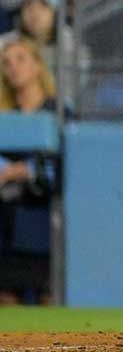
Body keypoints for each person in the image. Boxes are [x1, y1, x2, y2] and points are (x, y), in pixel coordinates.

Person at [0, 38, 59, 305]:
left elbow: (61, 164)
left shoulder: (57, 112)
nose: (13, 68)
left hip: (45, 225)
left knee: (49, 300)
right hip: (7, 225)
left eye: (21, 59)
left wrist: (16, 172)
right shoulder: (4, 116)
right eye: (6, 63)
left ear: (38, 66)